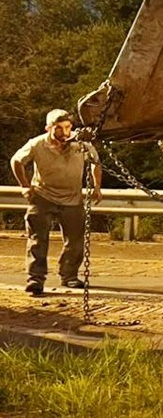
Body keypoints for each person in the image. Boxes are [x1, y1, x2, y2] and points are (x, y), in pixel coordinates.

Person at [10, 109, 103, 296]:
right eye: (59, 128)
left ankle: (69, 275)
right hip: (43, 196)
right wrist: (25, 186)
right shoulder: (36, 144)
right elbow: (17, 161)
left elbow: (96, 162)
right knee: (38, 239)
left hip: (72, 198)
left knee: (75, 240)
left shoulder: (80, 144)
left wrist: (96, 186)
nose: (64, 132)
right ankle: (35, 279)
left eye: (68, 127)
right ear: (48, 128)